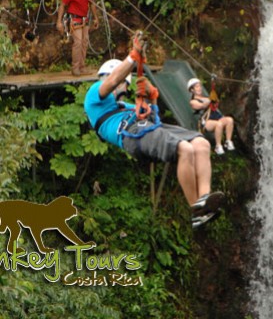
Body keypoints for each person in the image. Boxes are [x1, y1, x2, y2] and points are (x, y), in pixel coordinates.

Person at [84, 33, 225, 228]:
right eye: (125, 80)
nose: (125, 84)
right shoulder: (94, 96)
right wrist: (134, 56)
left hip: (146, 128)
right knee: (185, 149)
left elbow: (152, 117)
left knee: (201, 143)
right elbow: (112, 81)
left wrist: (151, 97)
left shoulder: (123, 106)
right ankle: (196, 209)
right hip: (132, 134)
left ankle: (204, 198)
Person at [56, 0, 99, 76]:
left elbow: (92, 4)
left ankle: (82, 66)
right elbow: (62, 5)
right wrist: (59, 22)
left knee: (85, 42)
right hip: (75, 19)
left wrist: (96, 18)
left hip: (85, 19)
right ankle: (75, 67)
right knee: (78, 42)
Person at [187, 78, 235, 155]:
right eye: (196, 87)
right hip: (206, 122)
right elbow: (201, 105)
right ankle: (218, 146)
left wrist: (214, 99)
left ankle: (228, 141)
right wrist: (210, 100)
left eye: (199, 86)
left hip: (216, 117)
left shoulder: (206, 97)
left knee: (230, 120)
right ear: (192, 90)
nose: (199, 88)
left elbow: (214, 102)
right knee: (218, 124)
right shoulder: (193, 101)